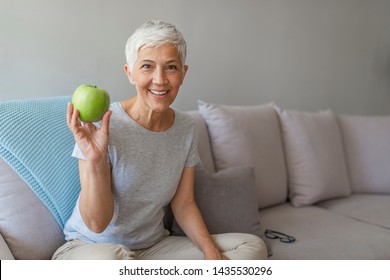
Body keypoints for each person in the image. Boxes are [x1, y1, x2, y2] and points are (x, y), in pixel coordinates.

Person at [52, 20, 267, 260]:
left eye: (171, 67)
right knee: (112, 262)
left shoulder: (186, 128)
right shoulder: (102, 126)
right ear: (130, 73)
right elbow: (96, 223)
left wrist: (210, 252)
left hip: (153, 248)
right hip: (91, 248)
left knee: (251, 247)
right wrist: (95, 160)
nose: (160, 79)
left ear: (183, 74)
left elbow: (184, 204)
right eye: (147, 66)